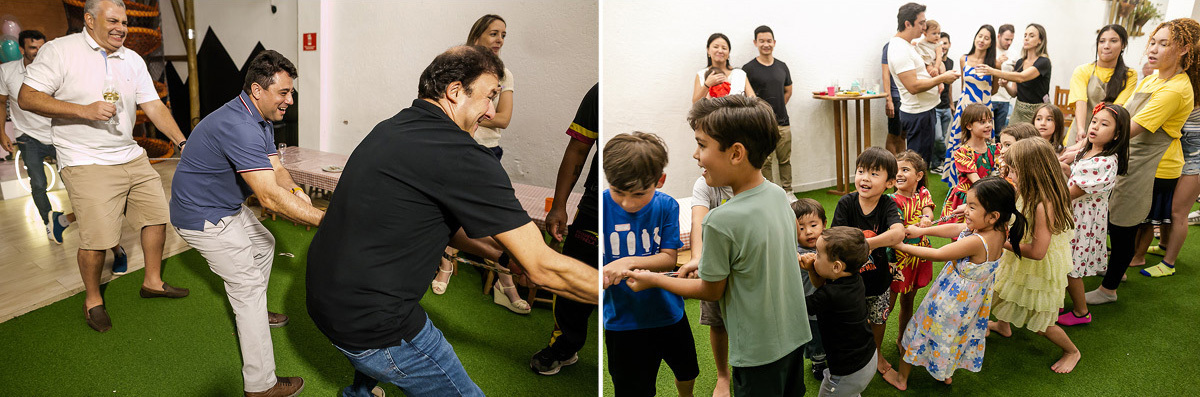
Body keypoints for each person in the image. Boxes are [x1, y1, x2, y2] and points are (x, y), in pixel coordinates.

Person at [305, 46, 598, 397]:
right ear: (456, 92)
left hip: (324, 299)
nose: (492, 112)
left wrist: (505, 256)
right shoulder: (462, 155)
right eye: (490, 96)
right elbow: (543, 269)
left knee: (370, 353)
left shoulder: (391, 127)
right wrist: (622, 290)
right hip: (374, 325)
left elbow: (443, 224)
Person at [18, 0, 190, 333]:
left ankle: (152, 281)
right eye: (113, 21)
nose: (121, 28)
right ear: (89, 19)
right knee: (96, 240)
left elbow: (152, 104)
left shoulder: (131, 58)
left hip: (129, 154)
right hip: (85, 159)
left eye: (124, 22)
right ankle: (93, 300)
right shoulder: (60, 51)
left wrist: (183, 141)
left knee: (156, 217)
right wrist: (83, 110)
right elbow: (27, 97)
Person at [624, 95, 810, 397]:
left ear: (736, 153)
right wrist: (709, 260)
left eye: (702, 144)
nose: (695, 155)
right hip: (795, 337)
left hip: (758, 352)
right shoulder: (778, 195)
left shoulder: (720, 220)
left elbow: (711, 291)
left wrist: (654, 280)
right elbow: (761, 255)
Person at [167, 50, 321, 397]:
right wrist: (325, 219)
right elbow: (267, 197)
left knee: (265, 245)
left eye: (290, 92)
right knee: (247, 287)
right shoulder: (238, 125)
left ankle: (255, 313)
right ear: (257, 90)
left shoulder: (259, 118)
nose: (290, 100)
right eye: (284, 93)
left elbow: (277, 170)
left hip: (225, 206)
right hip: (201, 216)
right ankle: (261, 385)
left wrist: (296, 191)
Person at [1088, 18, 1197, 299]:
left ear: (1184, 48)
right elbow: (1121, 114)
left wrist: (1088, 145)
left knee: (1125, 226)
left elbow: (1127, 129)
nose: (1153, 48)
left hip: (1145, 165)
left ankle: (1108, 289)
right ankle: (1116, 270)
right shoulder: (1152, 78)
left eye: (1163, 44)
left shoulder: (1175, 89)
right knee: (1112, 219)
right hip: (1126, 158)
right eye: (1153, 42)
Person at [883, 177, 1024, 390]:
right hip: (969, 305)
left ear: (993, 215)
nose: (965, 210)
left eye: (972, 207)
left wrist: (901, 245)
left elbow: (938, 253)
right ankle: (945, 373)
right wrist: (922, 231)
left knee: (920, 329)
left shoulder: (977, 241)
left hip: (949, 300)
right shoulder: (998, 230)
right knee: (952, 336)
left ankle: (901, 379)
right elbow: (956, 228)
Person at [431, 14, 529, 313]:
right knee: (446, 213)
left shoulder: (505, 74)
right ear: (477, 37)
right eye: (493, 34)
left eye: (503, 35)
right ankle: (444, 268)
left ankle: (504, 282)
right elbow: (442, 109)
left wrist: (469, 112)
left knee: (489, 220)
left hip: (487, 152)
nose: (499, 40)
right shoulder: (457, 67)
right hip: (453, 149)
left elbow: (504, 119)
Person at [600, 132, 697, 397]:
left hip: (668, 313)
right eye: (619, 192)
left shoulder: (666, 206)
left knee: (687, 371)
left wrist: (625, 262)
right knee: (633, 388)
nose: (628, 203)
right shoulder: (601, 206)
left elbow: (668, 258)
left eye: (639, 193)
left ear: (660, 180)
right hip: (622, 321)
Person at [988, 139, 1081, 374]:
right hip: (1020, 255)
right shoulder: (1027, 189)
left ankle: (1072, 351)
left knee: (1041, 323)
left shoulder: (1042, 203)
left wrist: (1003, 243)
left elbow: (1038, 253)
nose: (1009, 174)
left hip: (1037, 265)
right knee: (1001, 291)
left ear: (1030, 171)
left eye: (1013, 170)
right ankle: (1003, 324)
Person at [530, 83, 599, 376]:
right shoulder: (600, 91)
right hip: (595, 206)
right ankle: (564, 347)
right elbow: (578, 148)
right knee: (572, 280)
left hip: (639, 204)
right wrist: (559, 205)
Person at [831, 147, 904, 375]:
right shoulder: (846, 203)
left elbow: (898, 233)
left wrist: (867, 244)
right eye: (861, 171)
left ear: (889, 183)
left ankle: (876, 354)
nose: (864, 178)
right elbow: (836, 239)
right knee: (849, 323)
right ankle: (851, 356)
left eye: (874, 173)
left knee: (878, 321)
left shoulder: (887, 205)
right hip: (849, 281)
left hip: (878, 281)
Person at [1058, 103, 1129, 327]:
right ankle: (1058, 300)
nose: (1095, 127)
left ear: (1117, 134)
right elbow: (1075, 175)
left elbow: (1072, 193)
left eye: (1104, 124)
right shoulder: (1089, 151)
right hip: (1076, 215)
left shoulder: (1104, 161)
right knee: (1063, 261)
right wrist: (1063, 168)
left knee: (1071, 268)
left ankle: (1081, 312)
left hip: (1082, 221)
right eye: (1094, 121)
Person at [798, 227, 877, 396]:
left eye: (817, 254)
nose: (814, 256)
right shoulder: (855, 279)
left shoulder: (830, 295)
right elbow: (822, 286)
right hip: (868, 357)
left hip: (847, 371)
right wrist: (813, 267)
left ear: (836, 267)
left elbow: (797, 307)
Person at [888, 2, 960, 167]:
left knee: (921, 163)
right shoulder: (899, 49)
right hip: (918, 113)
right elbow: (912, 86)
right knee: (915, 166)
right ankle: (913, 193)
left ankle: (919, 193)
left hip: (923, 111)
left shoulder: (908, 46)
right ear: (908, 24)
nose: (924, 26)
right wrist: (942, 78)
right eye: (921, 23)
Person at [888, 150, 934, 352]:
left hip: (919, 256)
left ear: (919, 175)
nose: (899, 174)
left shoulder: (923, 193)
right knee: (886, 304)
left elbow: (928, 210)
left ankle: (902, 338)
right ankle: (871, 342)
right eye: (896, 170)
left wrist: (927, 218)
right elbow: (896, 228)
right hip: (897, 259)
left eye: (905, 169)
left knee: (908, 300)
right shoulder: (890, 200)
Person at [942, 25, 998, 186]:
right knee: (959, 142)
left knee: (984, 142)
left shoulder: (993, 63)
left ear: (991, 43)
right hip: (965, 106)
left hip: (985, 106)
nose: (981, 40)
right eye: (980, 36)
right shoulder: (963, 59)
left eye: (986, 38)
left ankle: (984, 181)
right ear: (975, 37)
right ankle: (956, 182)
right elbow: (963, 84)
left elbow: (993, 89)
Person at [1065, 25, 1137, 145]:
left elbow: (1117, 108)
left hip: (1106, 137)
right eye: (1102, 41)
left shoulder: (1129, 75)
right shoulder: (1082, 70)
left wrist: (1096, 135)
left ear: (1123, 44)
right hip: (1079, 132)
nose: (1106, 46)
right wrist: (1082, 130)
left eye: (1113, 41)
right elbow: (1081, 102)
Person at [744, 25, 793, 195]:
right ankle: (768, 194)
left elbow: (788, 90)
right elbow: (745, 96)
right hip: (761, 125)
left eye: (769, 41)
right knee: (765, 161)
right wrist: (764, 114)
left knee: (785, 160)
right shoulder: (748, 69)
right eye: (762, 41)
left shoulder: (782, 66)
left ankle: (788, 192)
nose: (766, 44)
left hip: (783, 122)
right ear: (755, 43)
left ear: (774, 42)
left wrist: (777, 107)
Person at [978, 24, 1051, 125]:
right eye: (1025, 35)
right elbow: (1014, 93)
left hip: (1037, 112)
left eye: (1031, 36)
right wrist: (1005, 86)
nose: (1026, 38)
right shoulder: (1020, 62)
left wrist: (993, 71)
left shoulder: (1043, 62)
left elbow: (1022, 77)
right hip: (1019, 110)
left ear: (1040, 40)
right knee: (1010, 137)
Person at [791, 198, 829, 382]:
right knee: (815, 339)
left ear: (824, 224)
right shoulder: (793, 252)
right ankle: (818, 361)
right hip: (808, 307)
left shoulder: (830, 247)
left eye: (813, 225)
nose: (808, 232)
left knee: (831, 334)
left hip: (830, 305)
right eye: (801, 228)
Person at [941, 104, 998, 223]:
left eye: (990, 121)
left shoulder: (994, 149)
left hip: (986, 193)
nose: (988, 125)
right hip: (968, 197)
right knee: (961, 235)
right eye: (982, 122)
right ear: (969, 126)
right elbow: (976, 181)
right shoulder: (963, 153)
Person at [692, 33, 755, 103]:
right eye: (716, 47)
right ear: (708, 50)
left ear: (729, 52)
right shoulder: (701, 74)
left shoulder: (739, 74)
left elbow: (753, 100)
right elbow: (695, 103)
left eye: (724, 48)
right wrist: (707, 85)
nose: (720, 51)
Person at [933, 31, 953, 170]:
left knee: (943, 137)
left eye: (945, 43)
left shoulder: (950, 62)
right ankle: (947, 160)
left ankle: (935, 165)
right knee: (938, 138)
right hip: (934, 107)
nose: (943, 46)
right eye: (940, 43)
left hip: (946, 106)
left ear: (949, 45)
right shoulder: (932, 62)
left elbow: (949, 85)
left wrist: (951, 103)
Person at [991, 24, 1017, 131]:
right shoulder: (990, 51)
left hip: (1005, 100)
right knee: (987, 135)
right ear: (998, 36)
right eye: (1006, 39)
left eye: (1011, 40)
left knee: (999, 135)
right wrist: (996, 63)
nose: (1009, 42)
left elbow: (1016, 76)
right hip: (990, 98)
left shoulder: (1014, 55)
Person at [882, 42, 906, 155]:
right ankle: (890, 169)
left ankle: (901, 167)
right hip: (896, 97)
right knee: (894, 134)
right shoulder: (890, 46)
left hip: (908, 98)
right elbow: (885, 74)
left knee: (903, 135)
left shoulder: (912, 46)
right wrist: (889, 100)